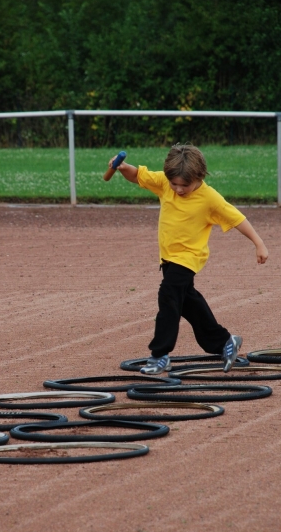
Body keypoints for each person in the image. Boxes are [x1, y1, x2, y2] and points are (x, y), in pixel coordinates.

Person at [109, 143, 269, 375]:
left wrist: (259, 243)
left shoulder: (209, 198)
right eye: (174, 184)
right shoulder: (165, 183)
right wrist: (121, 166)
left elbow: (237, 218)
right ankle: (225, 342)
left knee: (168, 296)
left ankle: (160, 355)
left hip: (189, 258)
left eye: (185, 185)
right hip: (168, 258)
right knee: (186, 302)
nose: (179, 189)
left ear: (199, 176)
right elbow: (138, 175)